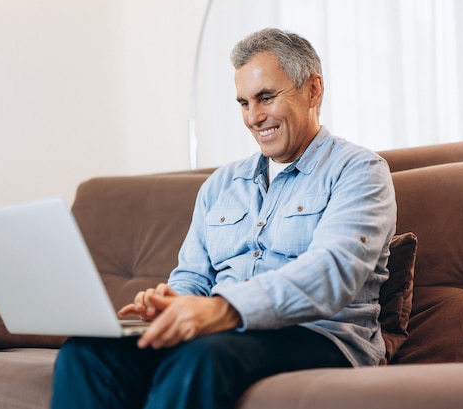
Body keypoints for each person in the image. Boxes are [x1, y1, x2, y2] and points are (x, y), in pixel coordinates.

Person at [51, 27, 396, 409]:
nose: (253, 117)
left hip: (320, 337)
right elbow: (193, 276)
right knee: (86, 352)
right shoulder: (222, 184)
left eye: (265, 98)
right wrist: (171, 304)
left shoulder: (359, 170)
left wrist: (223, 309)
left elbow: (333, 272)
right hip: (221, 333)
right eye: (244, 103)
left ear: (313, 90)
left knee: (201, 357)